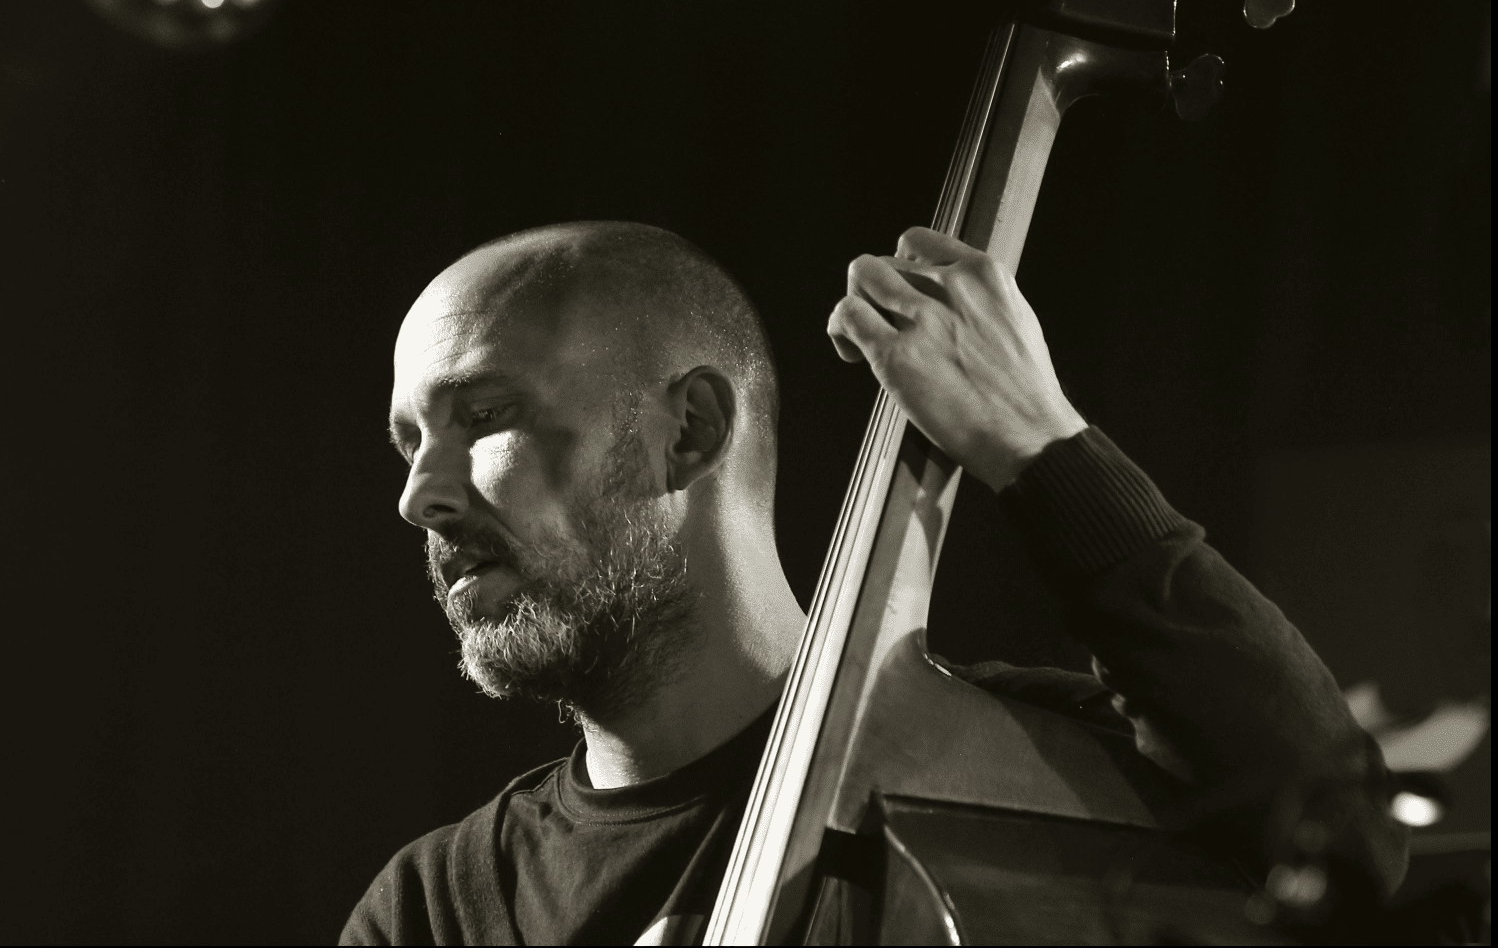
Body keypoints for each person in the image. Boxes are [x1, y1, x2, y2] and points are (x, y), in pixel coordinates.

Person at [341, 221, 1406, 946]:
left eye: (485, 416)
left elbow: (1346, 842)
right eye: (408, 442)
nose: (418, 496)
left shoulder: (1022, 781)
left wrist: (1045, 449)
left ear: (691, 431)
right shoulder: (435, 910)